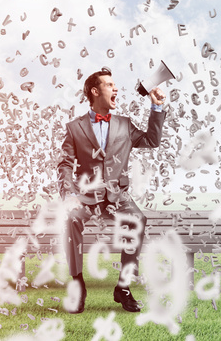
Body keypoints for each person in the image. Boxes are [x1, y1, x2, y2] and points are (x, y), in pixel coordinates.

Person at [58, 67, 166, 313]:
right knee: (70, 219)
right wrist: (70, 195)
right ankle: (77, 284)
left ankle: (123, 288)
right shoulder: (75, 128)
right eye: (110, 85)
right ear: (95, 91)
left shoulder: (125, 124)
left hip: (117, 197)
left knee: (138, 219)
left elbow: (152, 141)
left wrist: (156, 107)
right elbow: (64, 164)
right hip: (85, 197)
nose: (116, 88)